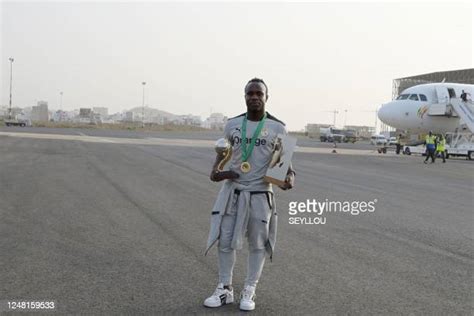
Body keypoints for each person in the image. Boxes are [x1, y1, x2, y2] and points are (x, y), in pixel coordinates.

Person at [204, 78, 295, 311]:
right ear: (244, 97)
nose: (254, 97)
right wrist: (220, 173)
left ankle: (249, 289)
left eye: (259, 93)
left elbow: (286, 166)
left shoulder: (278, 127)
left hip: (260, 194)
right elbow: (221, 157)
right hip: (233, 192)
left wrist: (287, 180)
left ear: (266, 97)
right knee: (224, 241)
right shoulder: (232, 124)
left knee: (257, 244)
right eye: (250, 93)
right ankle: (225, 289)